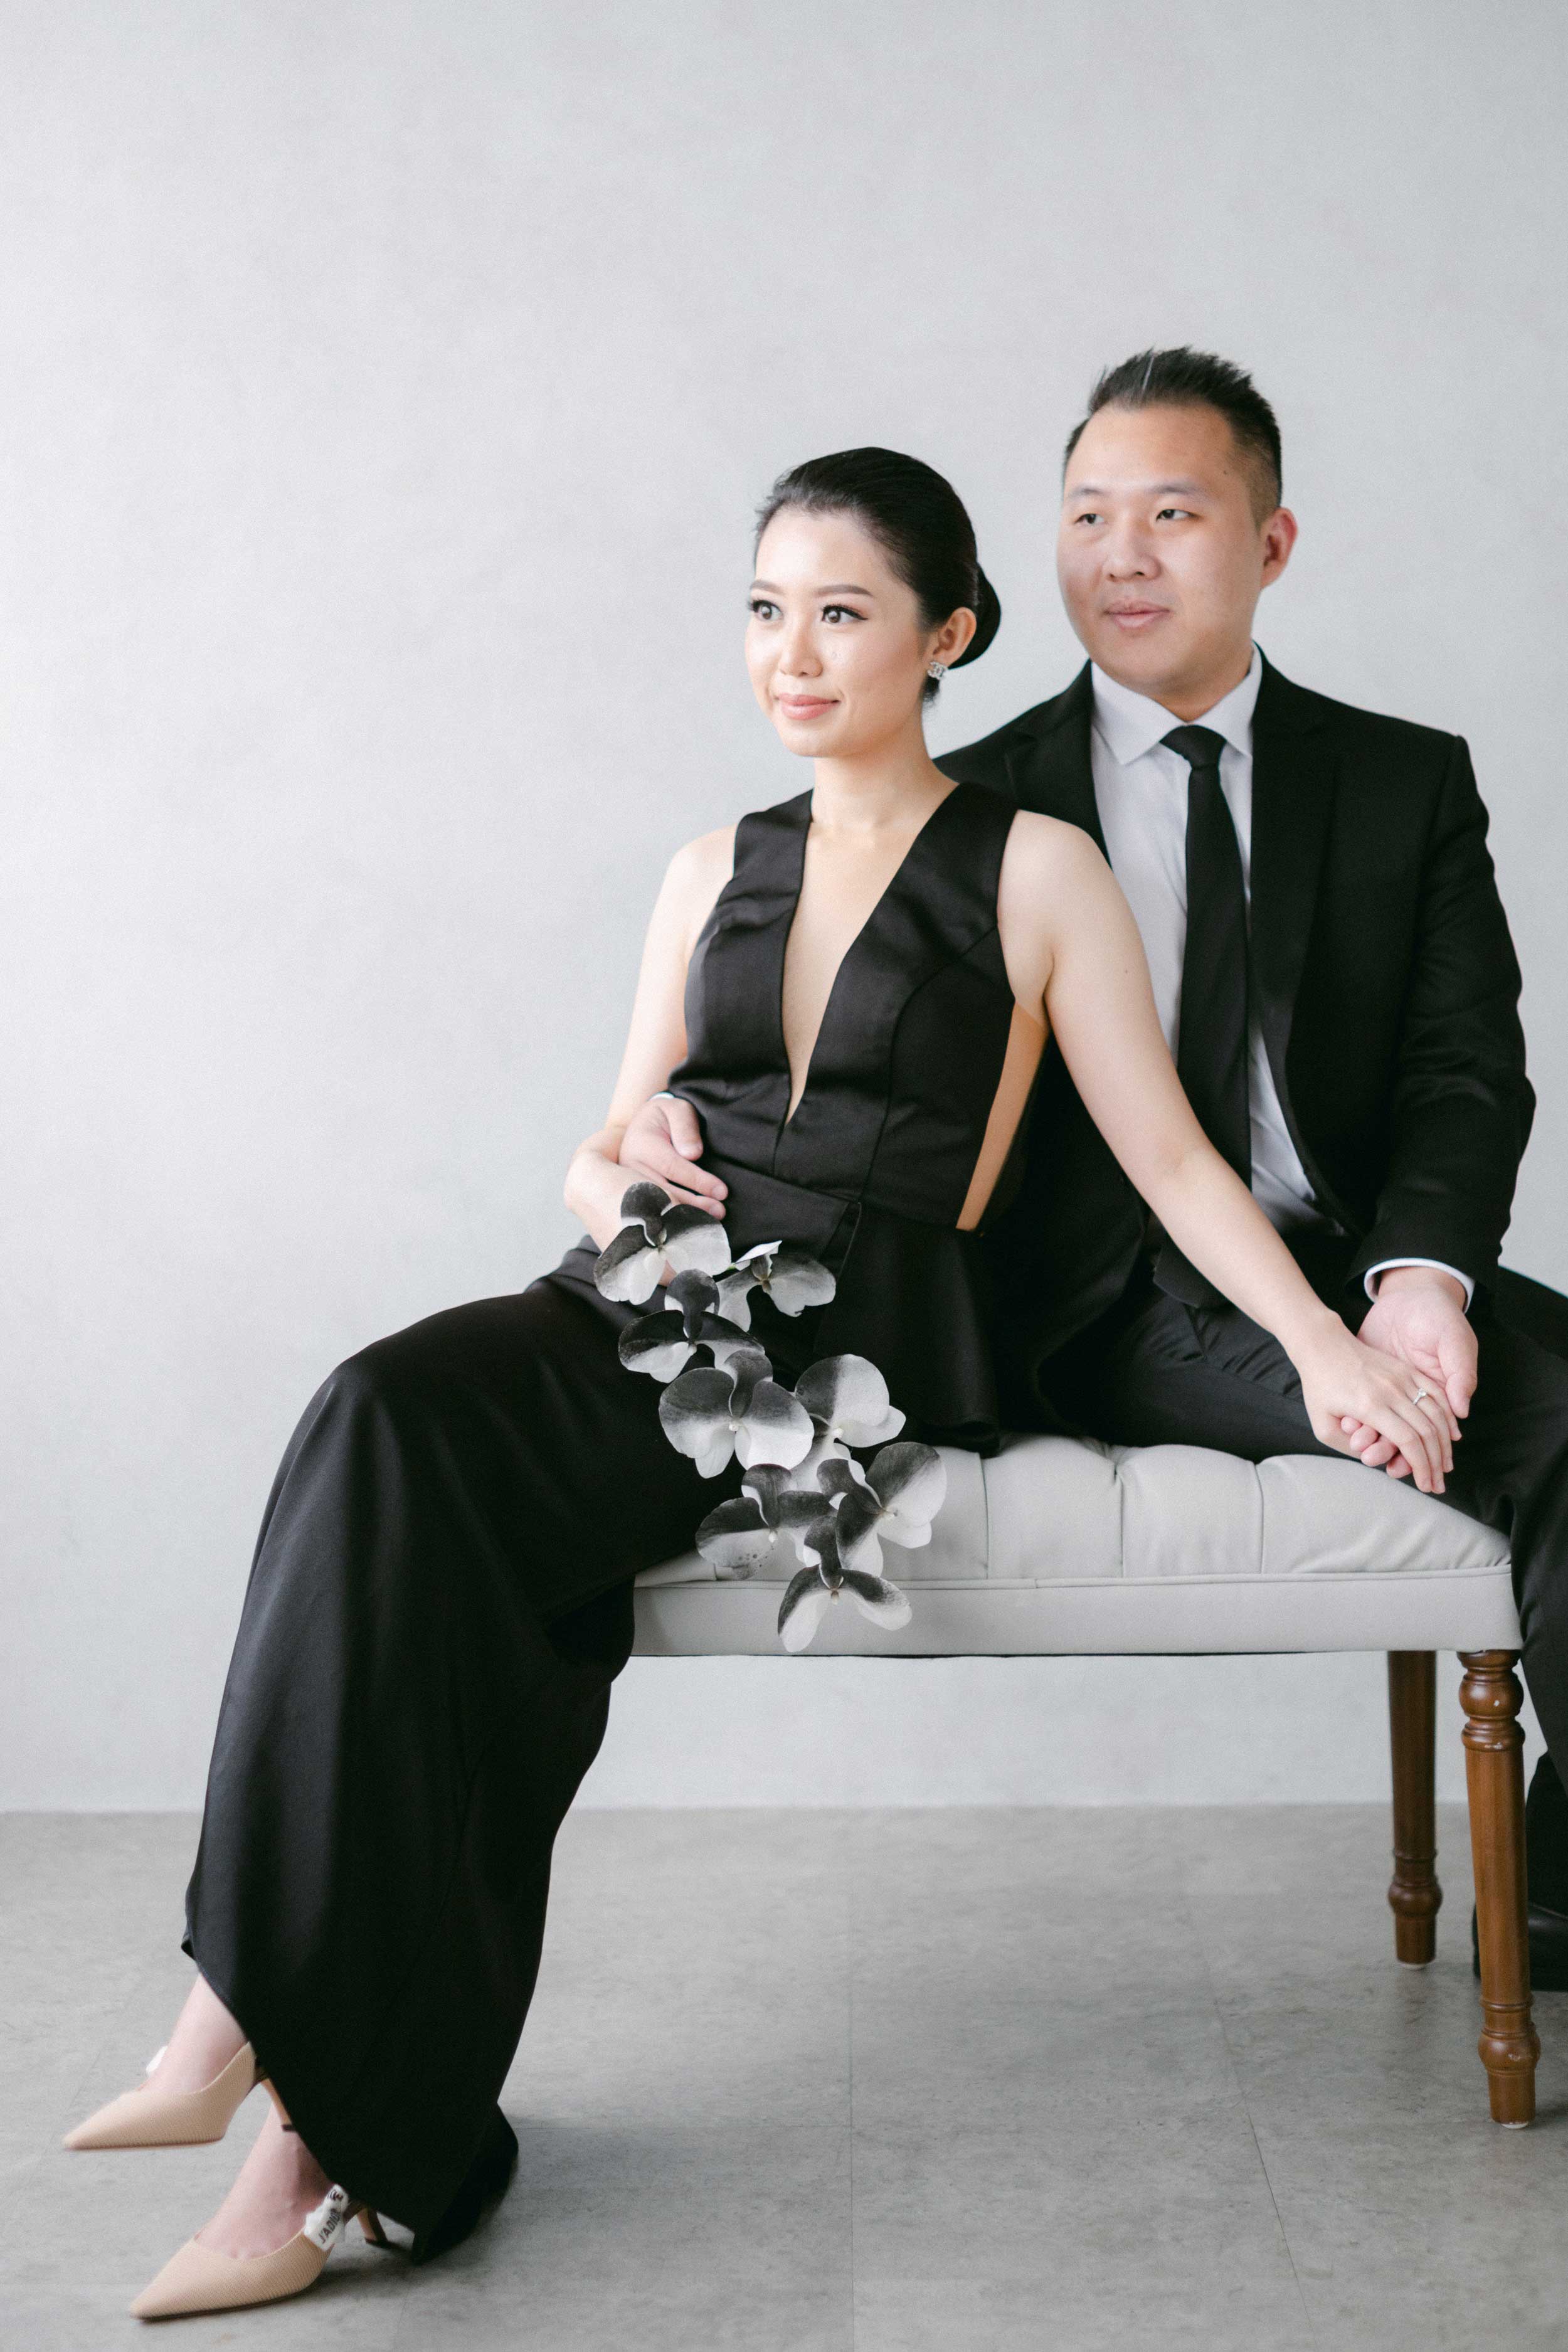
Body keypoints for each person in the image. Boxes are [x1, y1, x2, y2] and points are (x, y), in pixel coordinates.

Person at [66, 447, 1456, 2323]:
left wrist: (1326, 1346)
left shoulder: (1037, 867)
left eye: (840, 613)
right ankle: (270, 2039)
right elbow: (596, 1150)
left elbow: (1173, 1162)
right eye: (763, 609)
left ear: (945, 634)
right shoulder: (710, 864)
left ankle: (290, 2094)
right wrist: (621, 1170)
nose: (790, 654)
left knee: (447, 1542)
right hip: (642, 1305)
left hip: (844, 1350)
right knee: (375, 1415)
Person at [626, 351, 1568, 1992]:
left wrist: (1419, 1280)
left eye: (1171, 515)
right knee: (1532, 1425)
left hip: (1335, 1255)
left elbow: (1461, 1071)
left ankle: (1553, 1865)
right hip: (1103, 1299)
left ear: (1270, 543)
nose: (1120, 556)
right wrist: (660, 1141)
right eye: (1085, 517)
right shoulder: (968, 812)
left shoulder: (1400, 780)